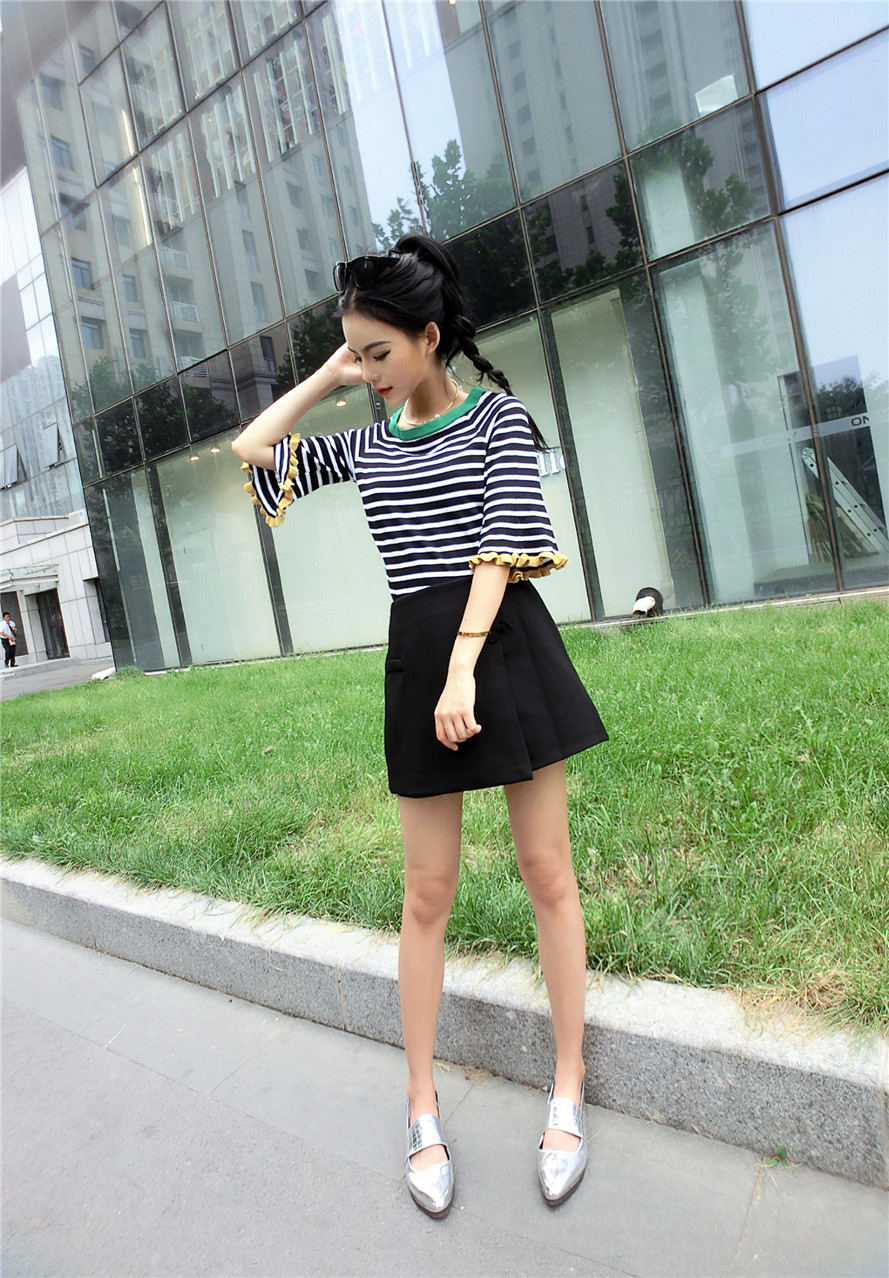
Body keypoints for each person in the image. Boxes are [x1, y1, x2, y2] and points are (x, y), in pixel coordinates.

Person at [231, 235, 607, 1217]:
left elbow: (500, 548)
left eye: (380, 353)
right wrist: (327, 373)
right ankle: (420, 1106)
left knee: (547, 872)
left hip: (500, 646)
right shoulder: (366, 441)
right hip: (419, 661)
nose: (369, 373)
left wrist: (463, 668)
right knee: (425, 892)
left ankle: (569, 1085)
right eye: (356, 355)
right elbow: (253, 451)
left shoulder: (497, 417)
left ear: (430, 337)